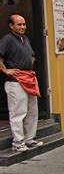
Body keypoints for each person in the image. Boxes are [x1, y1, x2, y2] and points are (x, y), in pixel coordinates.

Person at [0, 14, 43, 152]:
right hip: (15, 81)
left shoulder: (25, 38)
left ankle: (29, 138)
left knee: (32, 110)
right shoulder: (7, 39)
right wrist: (6, 70)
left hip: (29, 78)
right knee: (18, 112)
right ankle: (18, 142)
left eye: (24, 24)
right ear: (11, 26)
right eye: (19, 24)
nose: (23, 27)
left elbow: (32, 56)